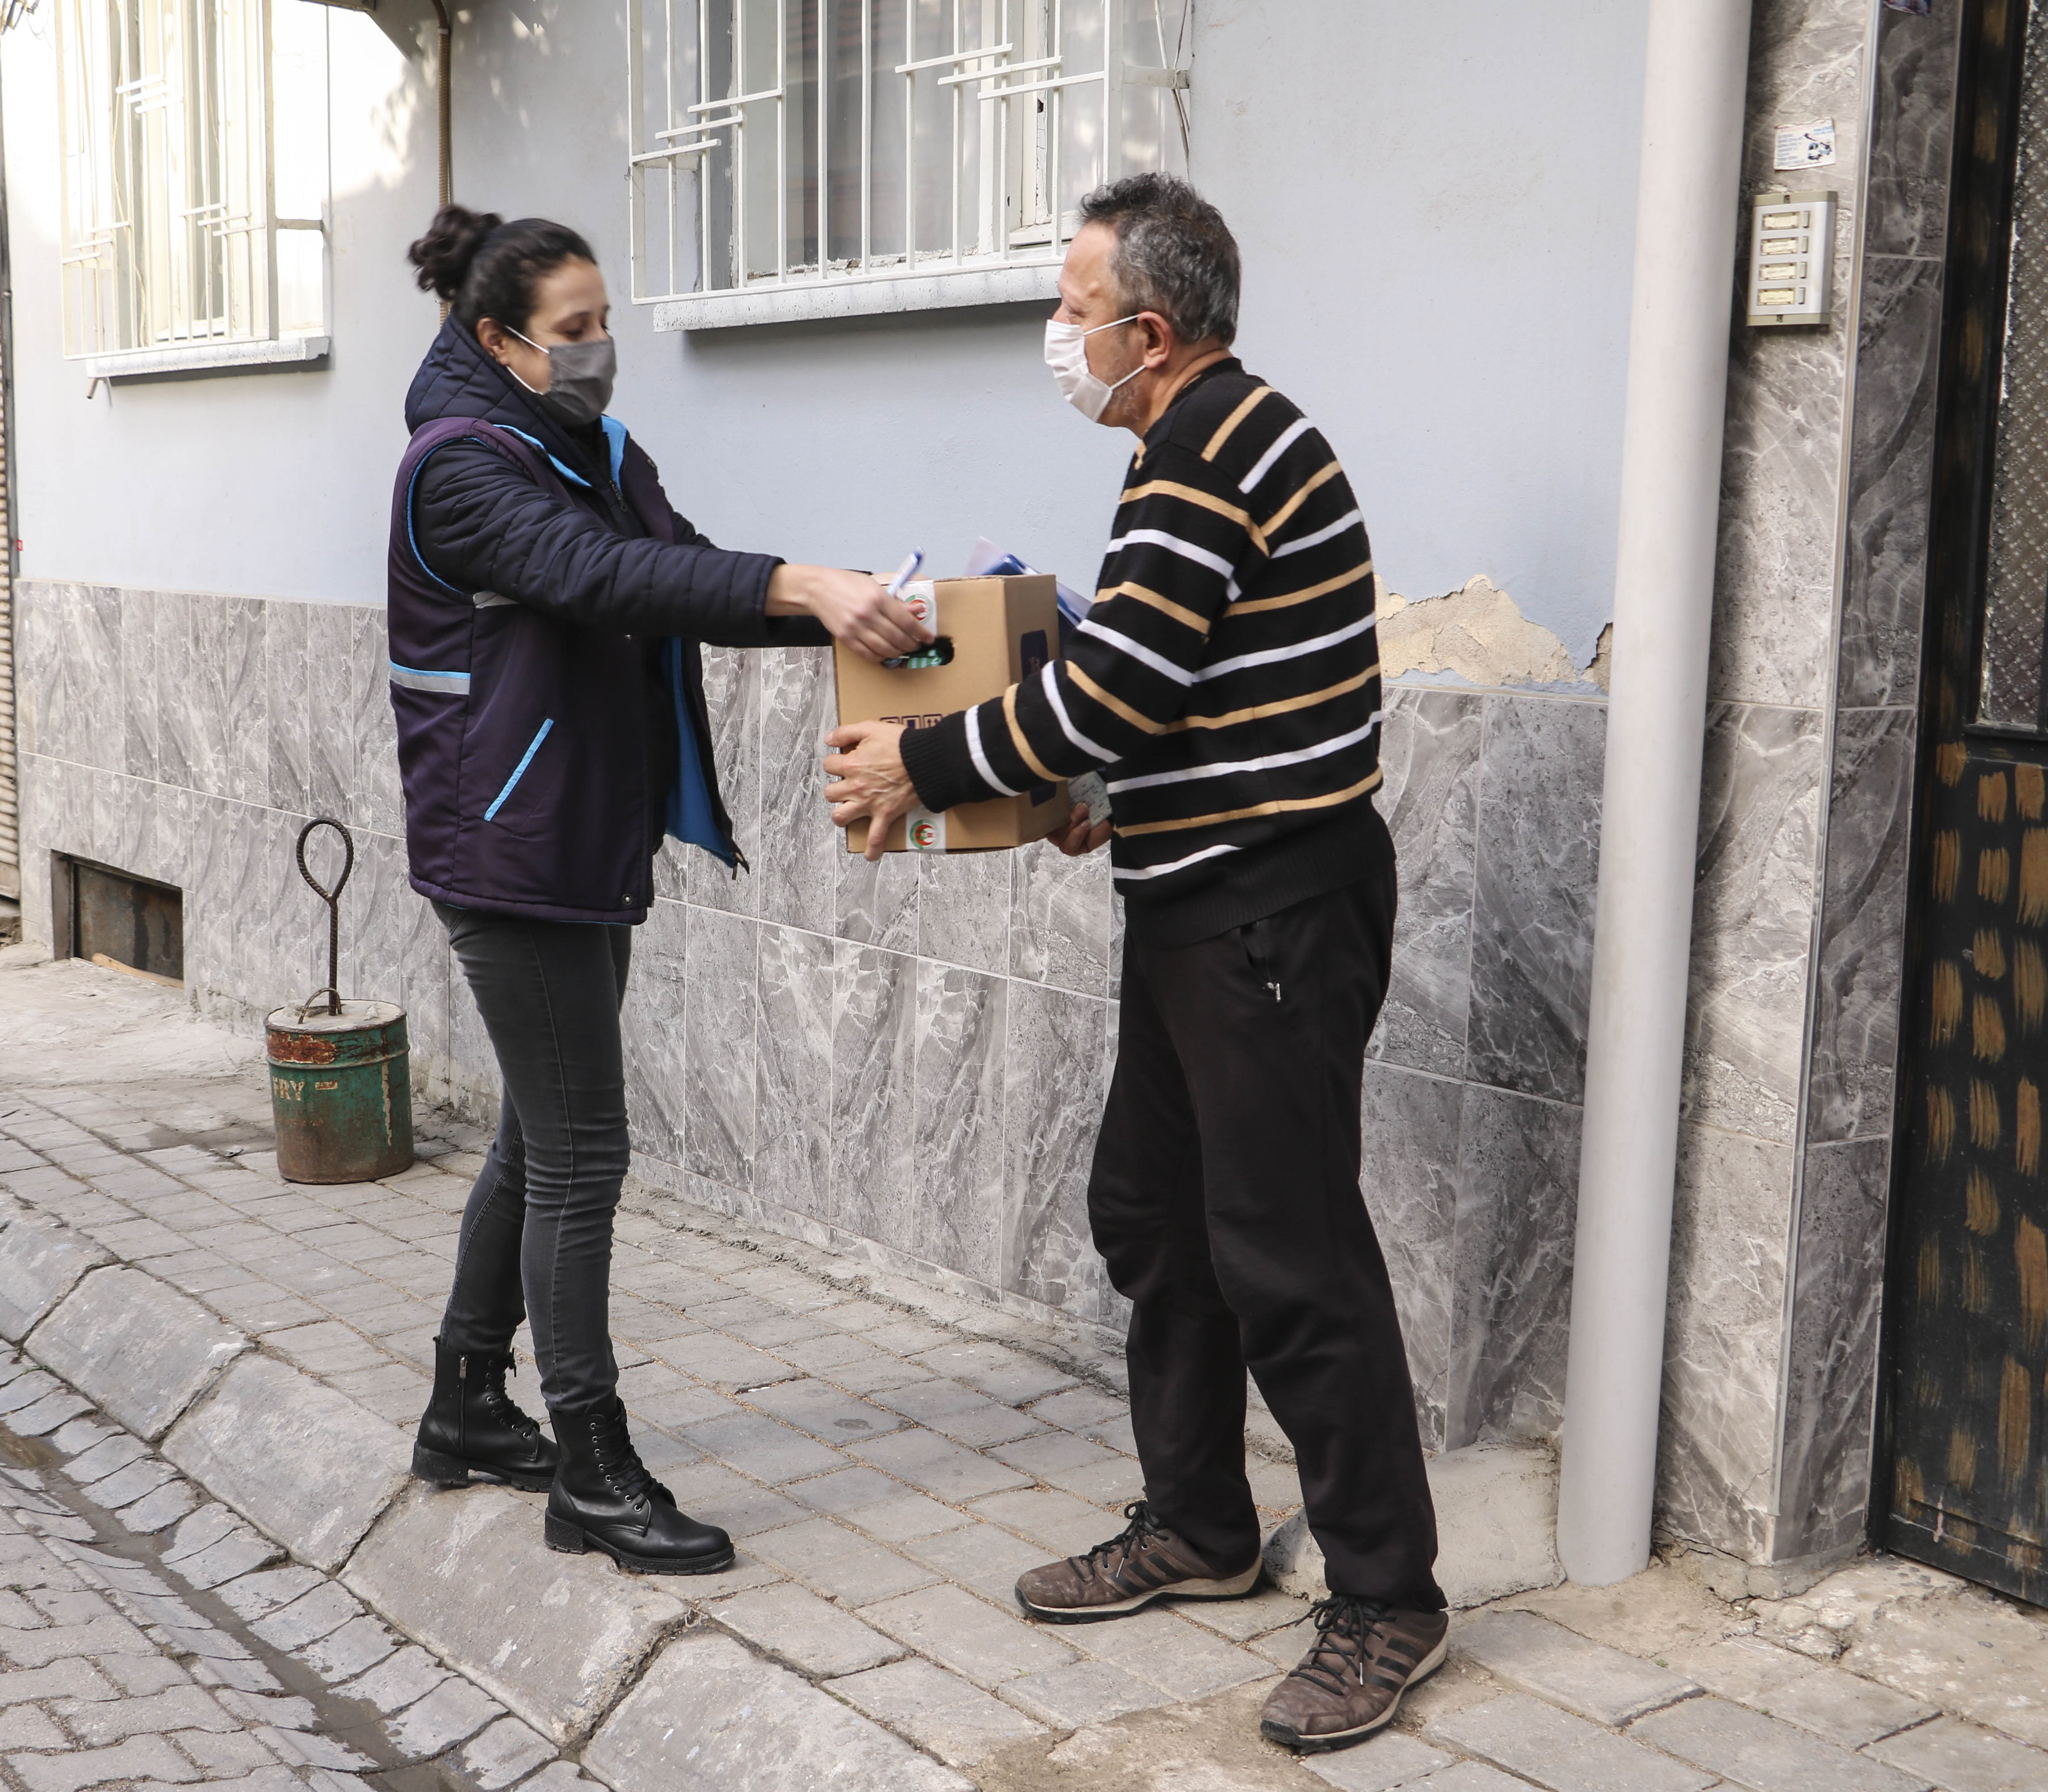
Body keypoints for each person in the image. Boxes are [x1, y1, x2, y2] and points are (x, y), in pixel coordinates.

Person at [822, 174, 1446, 1753]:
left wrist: (926, 763)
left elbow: (1113, 690)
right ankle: (1202, 1527)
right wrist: (1099, 800)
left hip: (1269, 919)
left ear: (1147, 333)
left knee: (1287, 1255)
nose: (1058, 333)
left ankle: (1388, 1598)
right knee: (1153, 1218)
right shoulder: (1206, 444)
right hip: (1201, 901)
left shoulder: (1207, 457)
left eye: (1072, 307)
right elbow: (1168, 702)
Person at [388, 205, 927, 1576]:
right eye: (574, 333)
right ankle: (590, 1467)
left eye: (606, 321)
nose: (602, 350)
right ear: (498, 340)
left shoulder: (594, 448)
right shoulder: (458, 467)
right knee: (582, 1154)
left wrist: (841, 609)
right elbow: (596, 575)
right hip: (510, 851)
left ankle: (463, 1407)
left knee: (539, 1133)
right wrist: (802, 585)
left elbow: (679, 571)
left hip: (579, 835)